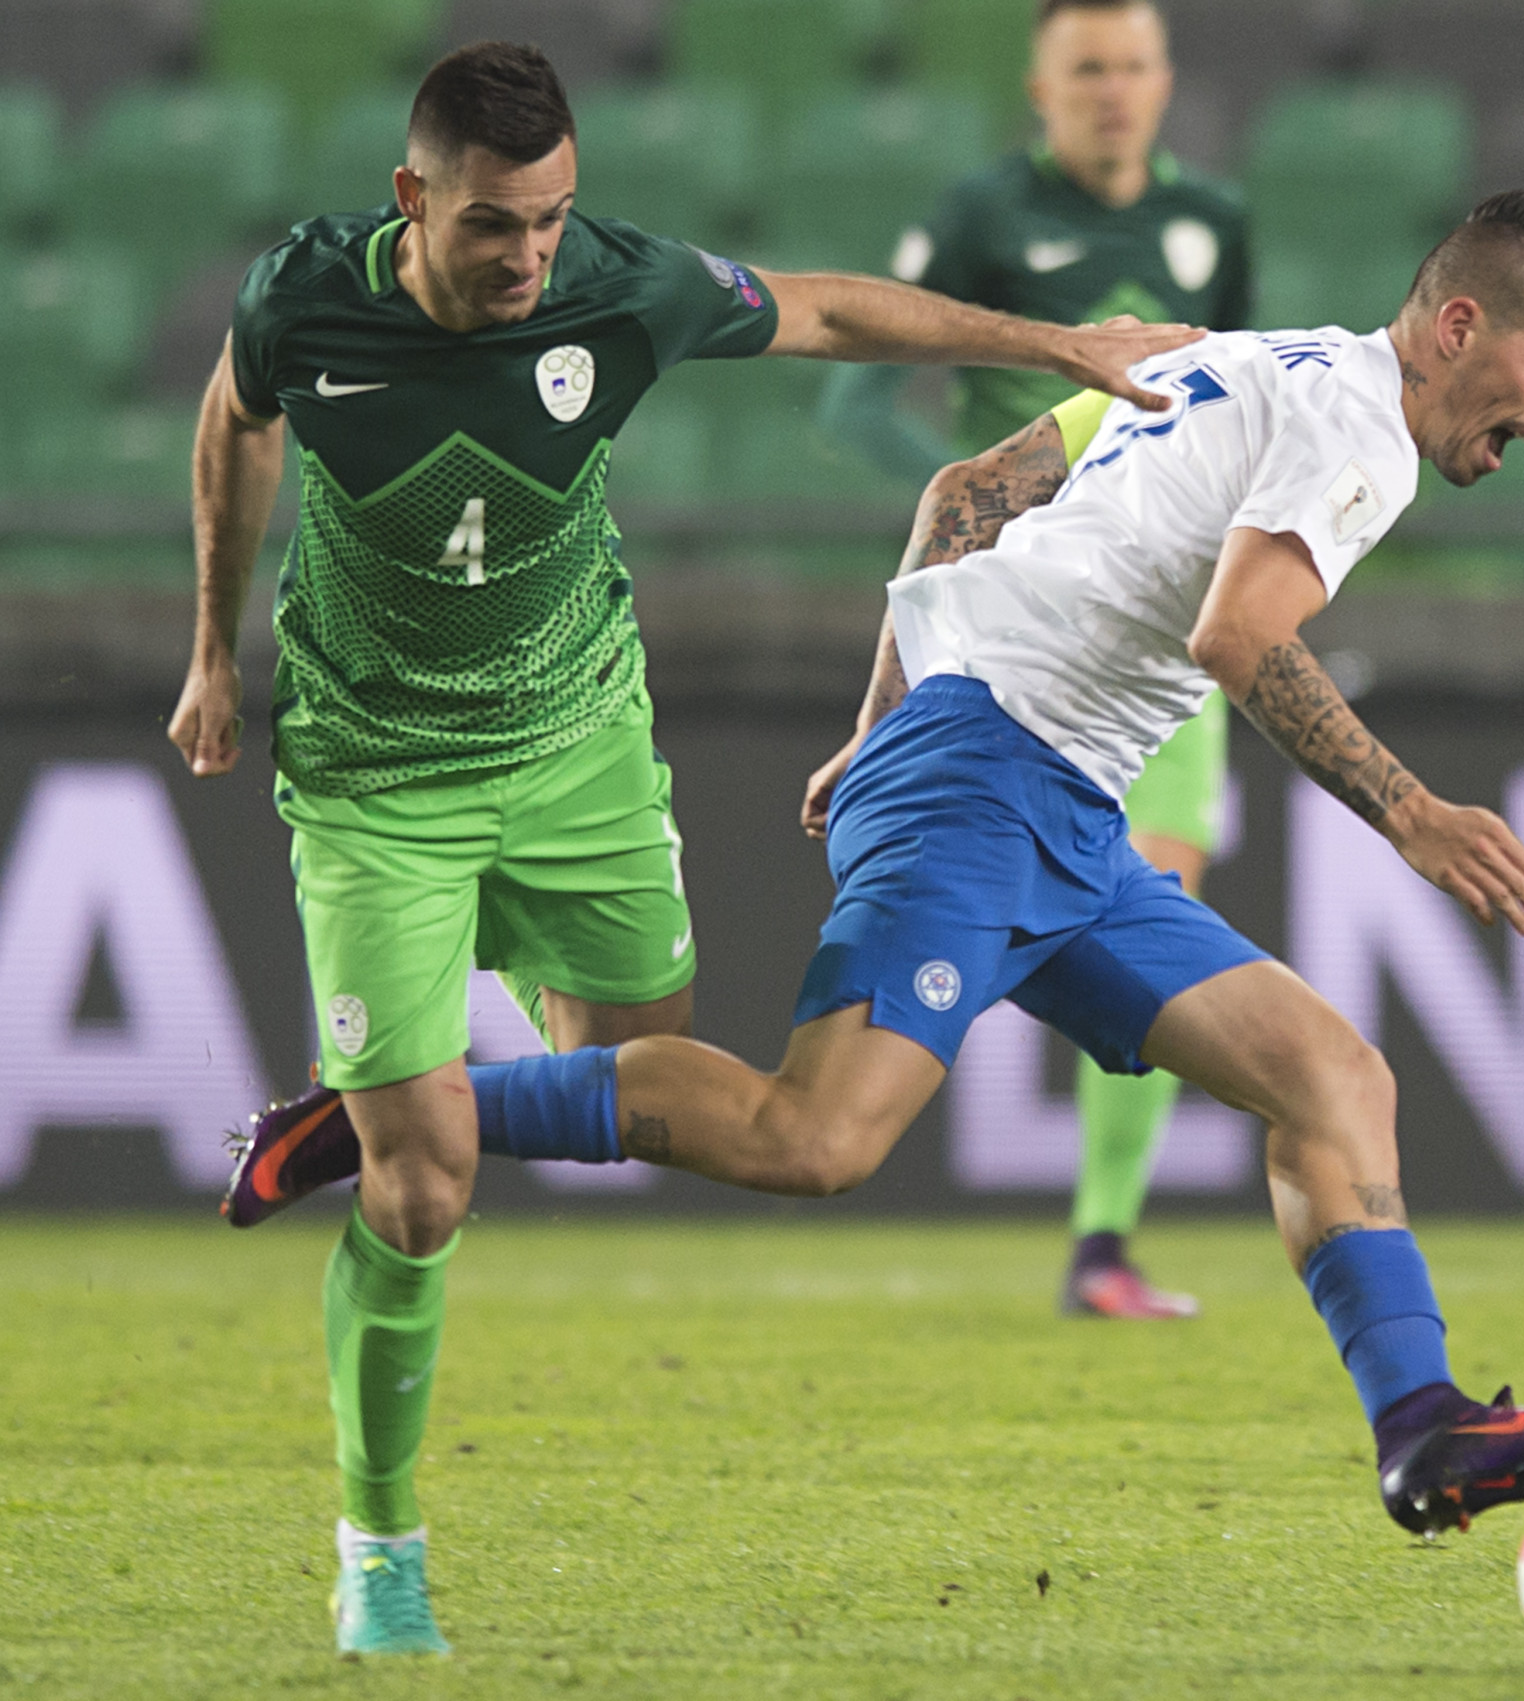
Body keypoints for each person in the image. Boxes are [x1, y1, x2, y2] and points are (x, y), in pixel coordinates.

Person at [238, 188, 1524, 1550]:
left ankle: (1421, 1426)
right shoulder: (1364, 429)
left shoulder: (1246, 357)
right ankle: (389, 1114)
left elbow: (971, 486)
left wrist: (877, 725)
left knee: (1335, 1079)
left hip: (1038, 792)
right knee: (818, 1137)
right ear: (1462, 326)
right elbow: (1239, 636)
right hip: (992, 773)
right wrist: (1408, 810)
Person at [179, 40, 1196, 1659]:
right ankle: (380, 1543)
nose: (530, 259)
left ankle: (364, 1119)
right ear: (411, 199)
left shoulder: (616, 288)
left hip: (576, 743)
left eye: (553, 221)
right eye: (496, 226)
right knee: (428, 1190)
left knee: (647, 1067)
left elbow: (832, 310)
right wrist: (216, 647)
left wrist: (1059, 341)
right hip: (380, 783)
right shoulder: (305, 297)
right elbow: (236, 420)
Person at [823, 0, 1254, 1318]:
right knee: (984, 893)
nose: (1112, 92)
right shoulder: (979, 217)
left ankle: (1101, 1243)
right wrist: (995, 505)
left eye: (1132, 67)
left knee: (1161, 904)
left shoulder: (1216, 228)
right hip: (1013, 629)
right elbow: (852, 403)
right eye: (1087, 71)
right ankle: (825, 1110)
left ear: (1166, 81)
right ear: (1041, 88)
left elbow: (1238, 398)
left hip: (1161, 631)